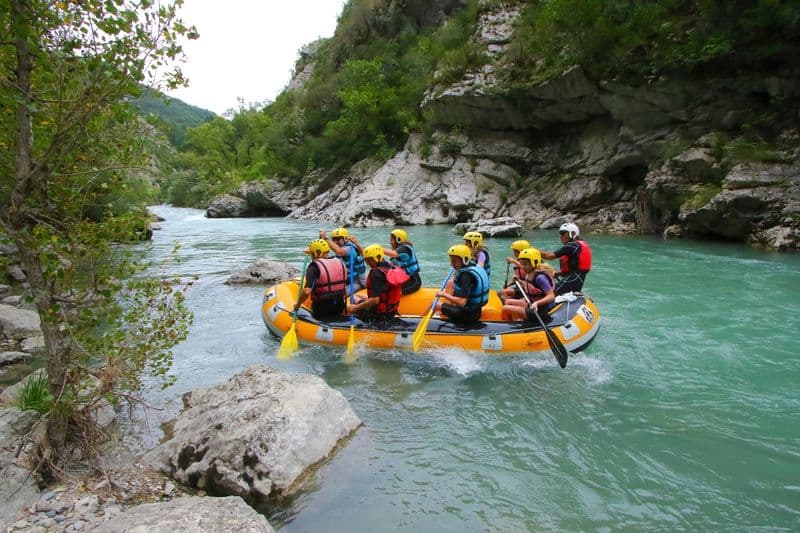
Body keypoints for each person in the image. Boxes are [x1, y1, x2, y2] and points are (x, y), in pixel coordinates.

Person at [350, 244, 407, 324]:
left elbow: (375, 300)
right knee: (359, 296)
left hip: (378, 316)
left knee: (353, 298)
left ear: (376, 258)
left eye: (369, 261)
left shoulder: (376, 273)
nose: (368, 264)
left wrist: (356, 307)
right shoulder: (391, 267)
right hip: (391, 312)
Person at [435, 244, 490, 325]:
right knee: (451, 284)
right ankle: (443, 313)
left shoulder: (466, 276)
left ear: (464, 260)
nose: (451, 264)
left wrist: (443, 294)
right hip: (475, 311)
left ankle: (419, 322)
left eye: (454, 261)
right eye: (451, 260)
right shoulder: (473, 267)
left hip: (467, 315)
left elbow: (462, 302)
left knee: (434, 304)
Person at [294, 239, 347, 319]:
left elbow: (307, 291)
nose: (311, 255)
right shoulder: (339, 262)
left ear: (316, 253)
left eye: (312, 253)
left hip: (322, 308)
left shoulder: (314, 267)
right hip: (339, 305)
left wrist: (298, 305)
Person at [501, 248, 556, 321]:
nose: (522, 267)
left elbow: (551, 296)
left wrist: (537, 303)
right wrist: (520, 281)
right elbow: (531, 288)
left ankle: (510, 327)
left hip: (539, 311)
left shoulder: (540, 278)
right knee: (508, 302)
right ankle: (515, 321)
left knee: (505, 309)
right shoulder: (529, 273)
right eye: (521, 264)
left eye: (525, 264)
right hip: (531, 304)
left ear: (534, 263)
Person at [541, 222, 592, 295]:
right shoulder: (577, 245)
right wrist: (557, 273)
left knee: (548, 292)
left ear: (573, 233)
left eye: (563, 233)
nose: (560, 236)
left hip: (573, 279)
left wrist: (534, 251)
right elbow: (573, 267)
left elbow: (550, 256)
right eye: (560, 234)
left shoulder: (572, 245)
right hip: (576, 280)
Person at [320, 227, 367, 292]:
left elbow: (340, 252)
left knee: (339, 294)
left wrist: (325, 238)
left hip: (356, 282)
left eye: (338, 239)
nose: (336, 242)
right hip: (345, 281)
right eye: (334, 239)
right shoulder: (341, 249)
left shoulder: (349, 249)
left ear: (345, 239)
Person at [382, 228, 421, 295]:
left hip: (413, 281)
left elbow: (393, 254)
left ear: (398, 240)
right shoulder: (398, 252)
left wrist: (378, 249)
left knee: (393, 293)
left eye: (391, 240)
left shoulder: (405, 249)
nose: (390, 242)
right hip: (403, 281)